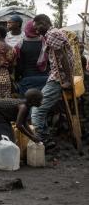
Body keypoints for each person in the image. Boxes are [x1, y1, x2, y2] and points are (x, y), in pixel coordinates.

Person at [30, 14, 74, 147]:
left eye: (36, 26)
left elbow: (63, 57)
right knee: (39, 108)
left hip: (58, 78)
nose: (36, 30)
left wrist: (68, 79)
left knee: (37, 110)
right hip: (56, 76)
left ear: (43, 22)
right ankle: (45, 137)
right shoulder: (54, 33)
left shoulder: (52, 34)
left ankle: (41, 139)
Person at [0, 90, 43, 160]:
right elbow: (19, 125)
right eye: (39, 100)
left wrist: (33, 135)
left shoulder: (27, 106)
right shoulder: (23, 107)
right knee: (2, 136)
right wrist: (31, 137)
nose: (41, 102)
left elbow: (24, 122)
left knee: (7, 136)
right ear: (33, 101)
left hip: (0, 114)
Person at [14, 20, 48, 94]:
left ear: (27, 29)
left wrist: (16, 78)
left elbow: (18, 66)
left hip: (27, 81)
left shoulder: (20, 45)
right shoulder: (46, 42)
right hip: (45, 80)